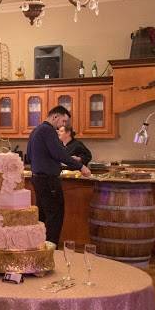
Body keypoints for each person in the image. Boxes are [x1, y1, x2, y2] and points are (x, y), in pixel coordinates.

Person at [26, 105, 92, 245]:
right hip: (49, 181)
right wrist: (81, 166)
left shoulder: (36, 130)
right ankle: (51, 250)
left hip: (37, 179)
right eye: (63, 121)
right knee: (55, 217)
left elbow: (29, 156)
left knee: (42, 217)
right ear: (55, 116)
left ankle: (40, 248)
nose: (63, 125)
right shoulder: (48, 130)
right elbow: (59, 154)